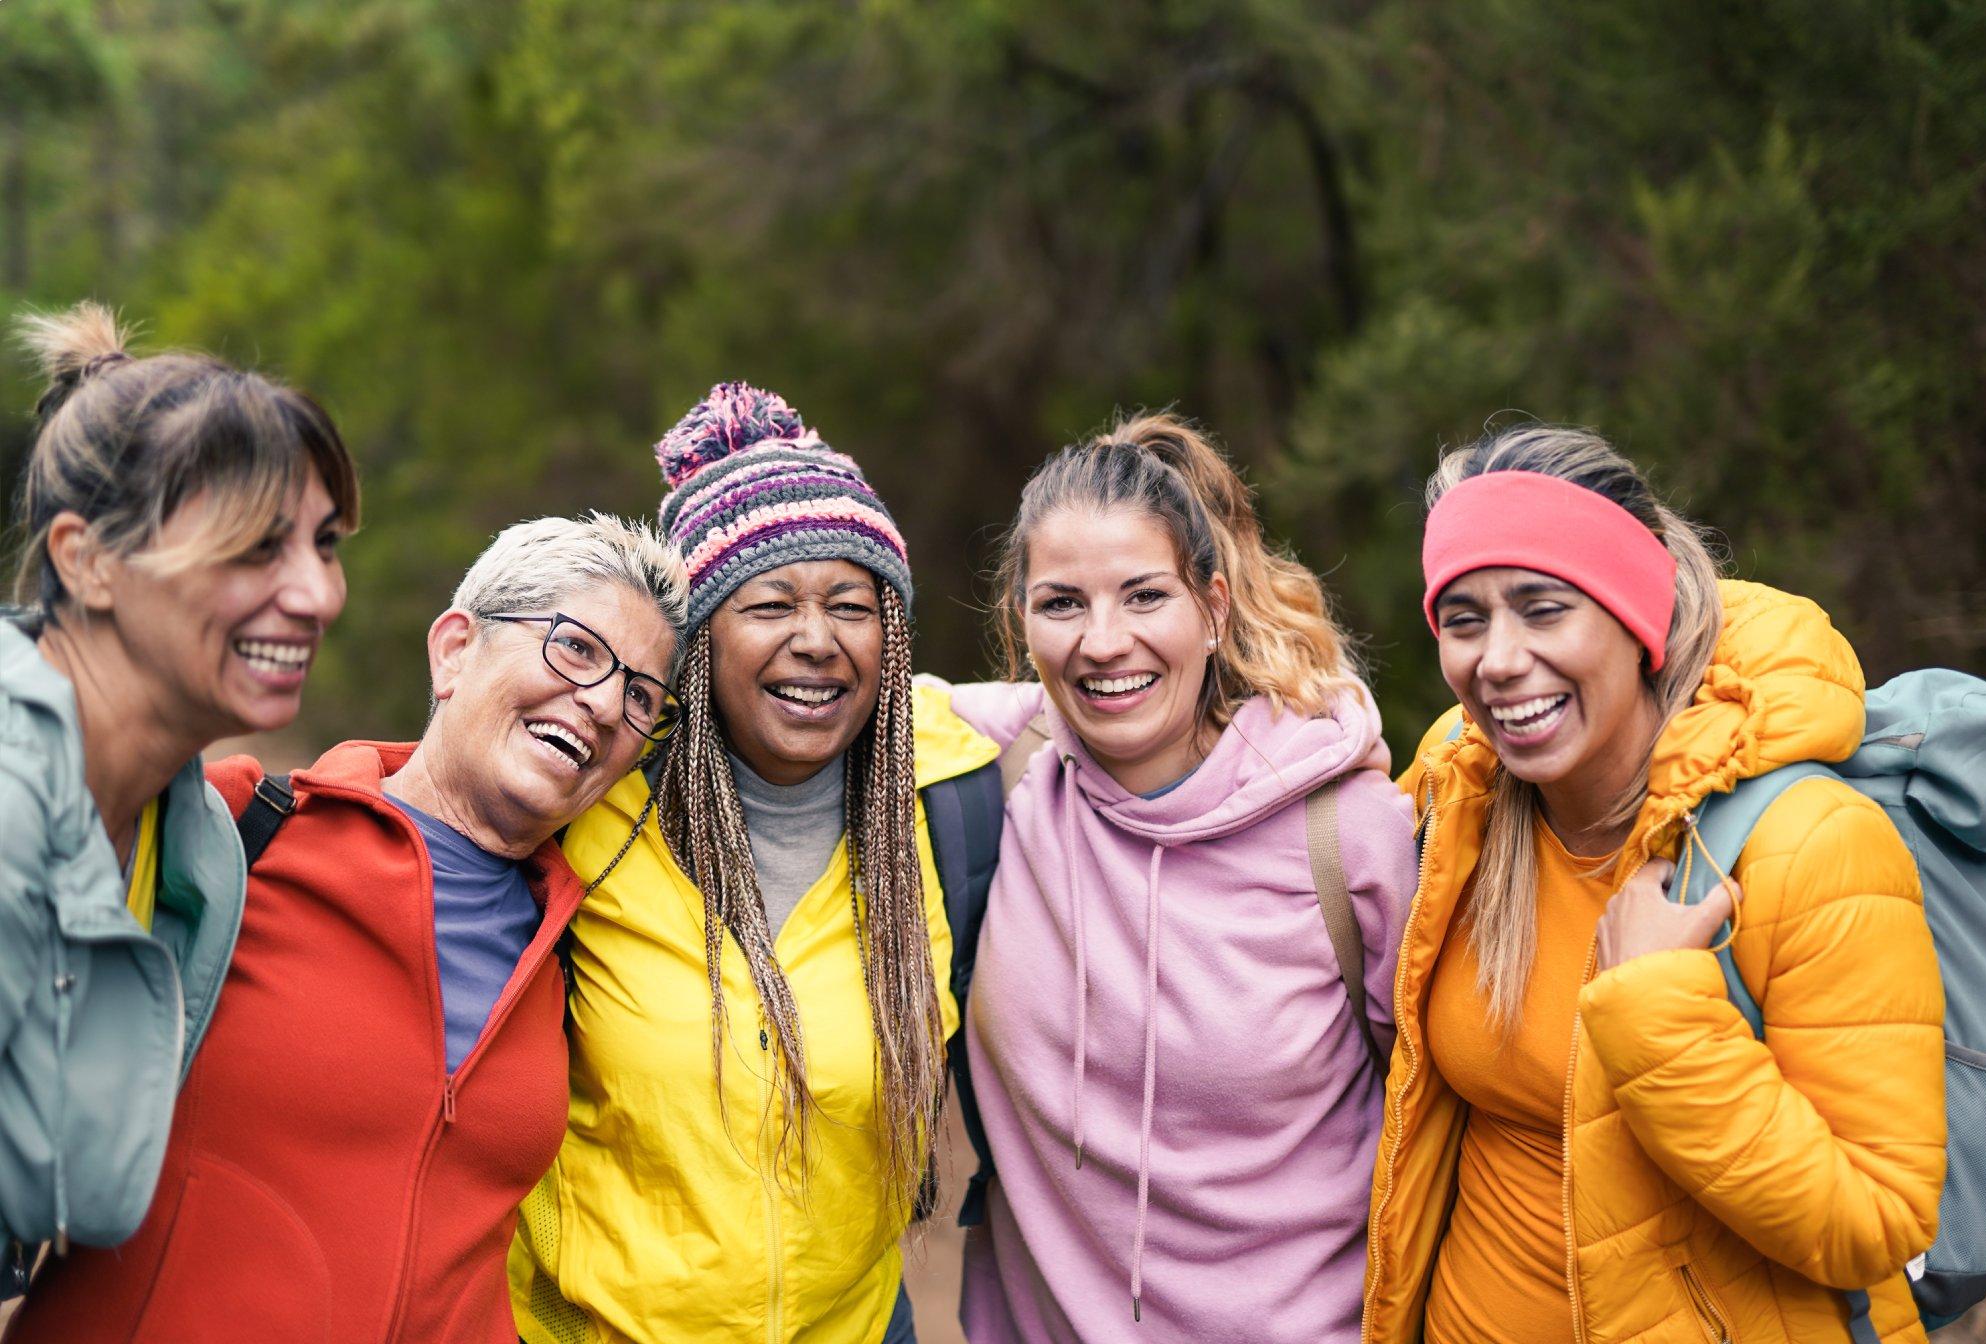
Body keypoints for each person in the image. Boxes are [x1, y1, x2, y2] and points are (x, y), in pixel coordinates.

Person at [7, 513, 687, 1342]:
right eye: (577, 648)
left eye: (643, 696)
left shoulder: (581, 944)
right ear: (454, 650)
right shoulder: (229, 828)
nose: (607, 702)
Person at [1362, 425, 1946, 1344]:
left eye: (1544, 608)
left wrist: (1656, 1020)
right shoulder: (1457, 793)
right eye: (1464, 619)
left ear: (1638, 619)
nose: (1499, 659)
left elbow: (1875, 1221)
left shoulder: (1808, 844)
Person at [510, 384, 1000, 1344]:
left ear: (889, 640)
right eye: (770, 602)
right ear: (696, 644)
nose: (814, 640)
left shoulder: (950, 807)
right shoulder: (588, 811)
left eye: (852, 607)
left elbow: (1114, 707)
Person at [950, 412, 1418, 1343]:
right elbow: (808, 689)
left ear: (1212, 606)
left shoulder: (1347, 832)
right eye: (1062, 604)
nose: (1102, 642)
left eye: (1144, 596)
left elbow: (1446, 1107)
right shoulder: (993, 773)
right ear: (1022, 622)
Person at [0, 302, 358, 1294]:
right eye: (253, 547)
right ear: (87, 560)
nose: (320, 595)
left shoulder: (194, 837)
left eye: (322, 545)